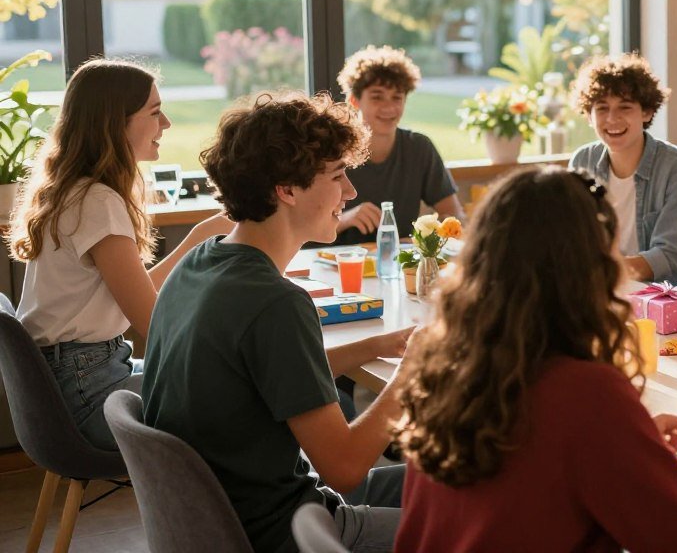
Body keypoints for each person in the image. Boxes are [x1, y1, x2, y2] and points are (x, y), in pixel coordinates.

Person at [394, 166, 677, 552]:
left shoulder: (450, 364)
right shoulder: (585, 393)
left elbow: (539, 460)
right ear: (591, 271)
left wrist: (627, 441)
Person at [142, 92, 415, 553]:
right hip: (286, 533)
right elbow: (345, 468)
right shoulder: (276, 303)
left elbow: (264, 373)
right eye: (338, 176)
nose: (350, 193)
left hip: (220, 519)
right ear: (286, 190)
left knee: (453, 480)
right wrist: (413, 372)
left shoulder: (199, 264)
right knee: (489, 520)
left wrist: (376, 345)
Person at [10, 59, 232, 450]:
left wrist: (197, 238)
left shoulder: (76, 191)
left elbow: (134, 294)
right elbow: (150, 321)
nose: (166, 124)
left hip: (81, 376)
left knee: (224, 386)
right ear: (116, 122)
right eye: (154, 112)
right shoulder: (97, 201)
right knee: (237, 398)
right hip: (89, 391)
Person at [569, 54, 677, 283]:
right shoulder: (582, 161)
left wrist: (603, 274)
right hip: (599, 292)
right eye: (602, 108)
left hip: (663, 300)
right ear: (589, 116)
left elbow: (671, 256)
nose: (612, 119)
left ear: (647, 112)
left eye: (625, 107)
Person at [333, 45, 463, 246]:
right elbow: (302, 224)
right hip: (338, 264)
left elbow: (453, 217)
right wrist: (346, 219)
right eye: (377, 97)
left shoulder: (419, 148)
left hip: (400, 264)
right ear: (354, 100)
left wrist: (418, 242)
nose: (389, 107)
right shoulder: (332, 150)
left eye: (397, 97)